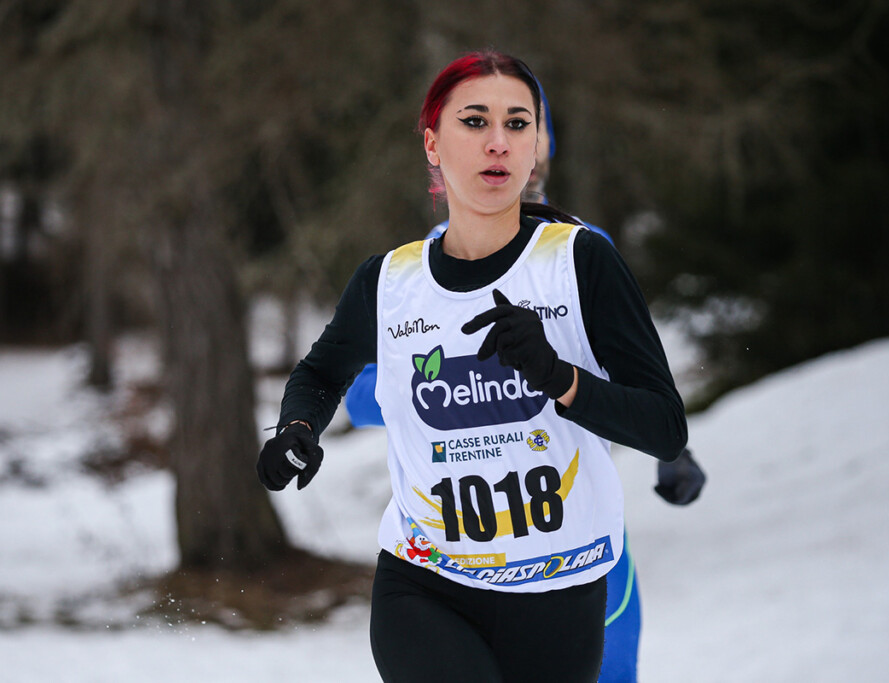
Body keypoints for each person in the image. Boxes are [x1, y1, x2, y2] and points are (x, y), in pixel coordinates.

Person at [257, 50, 689, 682]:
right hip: (426, 581)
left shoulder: (581, 262)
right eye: (475, 121)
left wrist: (557, 377)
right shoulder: (389, 282)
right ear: (433, 144)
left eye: (517, 124)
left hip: (561, 587)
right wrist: (296, 430)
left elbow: (663, 428)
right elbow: (321, 375)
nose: (498, 142)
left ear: (536, 147)